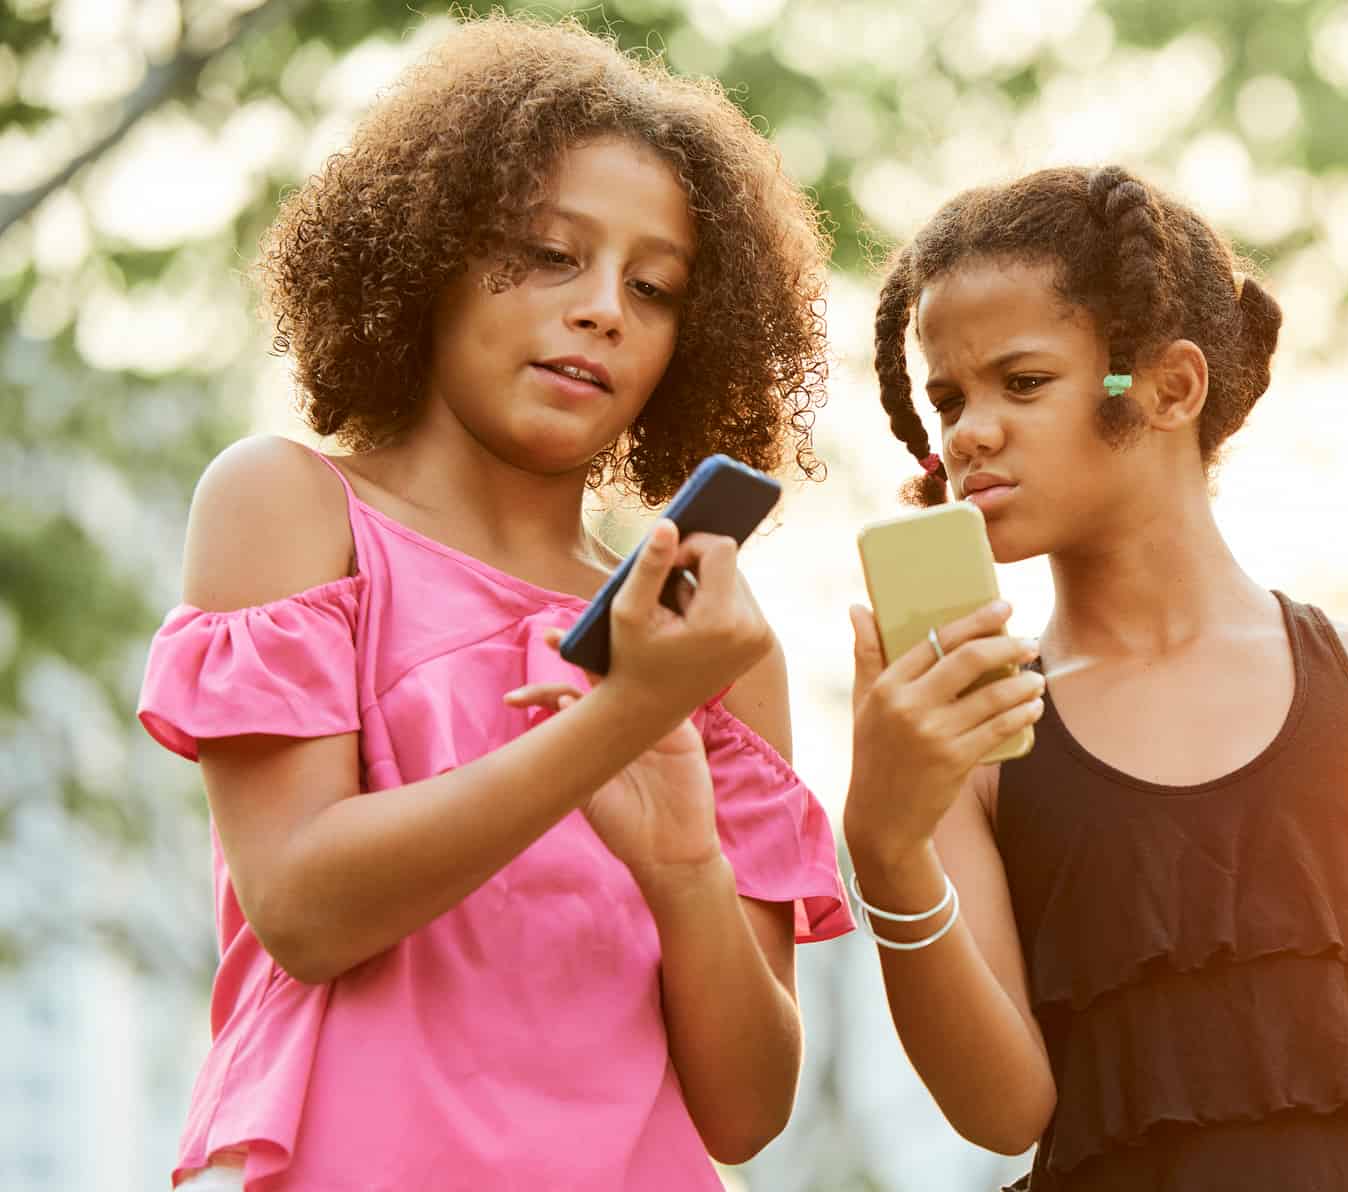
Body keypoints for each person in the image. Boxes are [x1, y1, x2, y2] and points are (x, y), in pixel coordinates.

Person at [135, 15, 848, 1188]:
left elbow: (744, 1112)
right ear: (430, 256)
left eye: (654, 287)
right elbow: (303, 908)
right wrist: (620, 718)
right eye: (552, 253)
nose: (604, 307)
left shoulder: (708, 636)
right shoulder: (290, 507)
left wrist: (684, 867)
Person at [841, 165, 1348, 1191]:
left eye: (1024, 382)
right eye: (948, 397)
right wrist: (884, 846)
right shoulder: (976, 742)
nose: (968, 432)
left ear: (1169, 387)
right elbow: (1002, 1112)